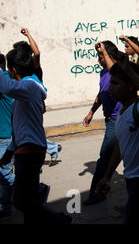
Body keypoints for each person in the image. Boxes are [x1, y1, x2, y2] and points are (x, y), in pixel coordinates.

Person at [94, 45, 139, 224]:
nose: (110, 88)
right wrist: (108, 176)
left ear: (129, 87)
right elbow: (119, 148)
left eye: (115, 83)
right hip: (133, 178)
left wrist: (131, 73)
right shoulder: (121, 114)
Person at [0, 44, 72, 224]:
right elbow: (20, 128)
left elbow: (6, 86)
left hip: (30, 151)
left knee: (22, 201)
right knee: (28, 204)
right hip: (27, 150)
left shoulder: (27, 87)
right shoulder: (27, 88)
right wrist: (9, 153)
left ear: (13, 69)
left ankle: (60, 220)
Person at [82, 41, 122, 205]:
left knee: (104, 158)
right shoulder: (102, 73)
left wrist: (105, 51)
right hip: (109, 119)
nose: (99, 60)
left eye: (101, 56)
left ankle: (96, 192)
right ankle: (105, 185)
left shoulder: (118, 71)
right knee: (114, 155)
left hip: (117, 119)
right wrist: (91, 111)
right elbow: (100, 94)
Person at [18, 29, 61, 164]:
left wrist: (28, 35)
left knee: (32, 132)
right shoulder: (19, 69)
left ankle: (49, 150)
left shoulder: (33, 68)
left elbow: (37, 53)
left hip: (35, 105)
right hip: (25, 104)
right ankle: (50, 149)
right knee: (30, 132)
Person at [0, 54, 14, 221]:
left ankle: (5, 206)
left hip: (5, 135)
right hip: (7, 133)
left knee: (4, 174)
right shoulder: (8, 78)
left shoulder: (3, 80)